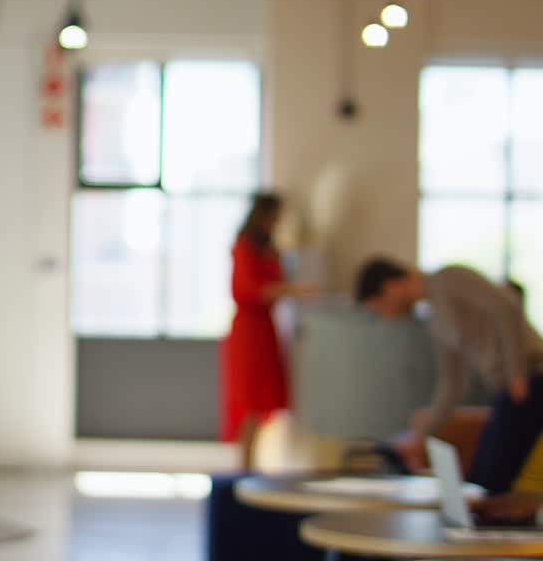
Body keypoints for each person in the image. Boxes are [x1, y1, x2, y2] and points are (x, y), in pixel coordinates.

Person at [355, 258, 543, 494]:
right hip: (507, 388)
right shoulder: (437, 319)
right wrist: (420, 437)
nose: (388, 316)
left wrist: (517, 373)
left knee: (488, 481)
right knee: (481, 481)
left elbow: (506, 307)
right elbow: (452, 384)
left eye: (382, 307)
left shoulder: (449, 278)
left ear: (390, 287)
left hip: (531, 378)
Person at [220, 192, 312, 470]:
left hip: (265, 330)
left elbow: (275, 282)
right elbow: (246, 289)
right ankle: (243, 467)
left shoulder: (269, 249)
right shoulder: (243, 247)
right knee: (248, 401)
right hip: (248, 331)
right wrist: (293, 290)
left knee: (261, 403)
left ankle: (250, 466)